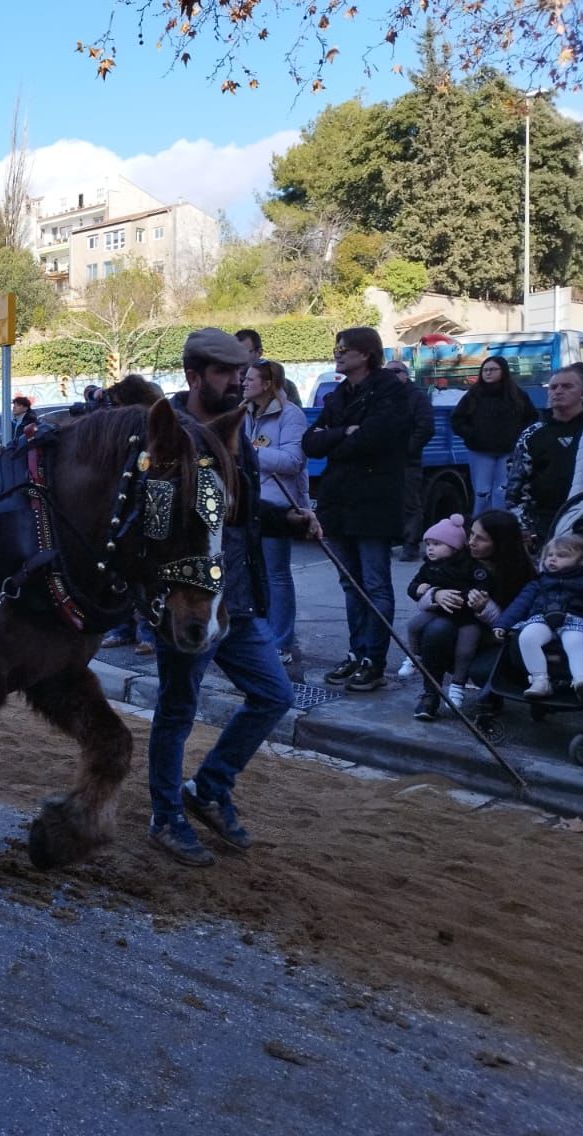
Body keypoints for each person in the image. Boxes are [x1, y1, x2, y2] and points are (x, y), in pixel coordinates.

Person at [148, 328, 312, 868]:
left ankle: (210, 787)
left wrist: (286, 518)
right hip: (190, 601)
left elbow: (237, 510)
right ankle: (166, 814)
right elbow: (156, 525)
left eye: (241, 373)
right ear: (194, 376)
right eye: (225, 374)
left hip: (236, 597)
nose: (237, 382)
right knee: (178, 710)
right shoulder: (165, 434)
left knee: (274, 695)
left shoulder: (233, 427)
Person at [302, 327, 413, 693]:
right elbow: (310, 443)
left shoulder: (391, 391)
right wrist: (342, 434)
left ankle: (373, 661)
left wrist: (343, 438)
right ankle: (356, 651)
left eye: (343, 349)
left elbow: (374, 439)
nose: (337, 353)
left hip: (374, 502)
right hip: (339, 501)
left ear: (365, 354)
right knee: (350, 584)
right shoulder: (338, 395)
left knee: (376, 584)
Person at [417, 510, 536, 720]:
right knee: (436, 628)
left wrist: (485, 609)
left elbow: (518, 621)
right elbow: (423, 586)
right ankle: (430, 694)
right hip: (458, 630)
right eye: (471, 534)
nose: (471, 542)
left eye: (480, 538)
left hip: (494, 642)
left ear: (500, 543)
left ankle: (493, 693)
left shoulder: (520, 573)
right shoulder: (458, 557)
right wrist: (435, 594)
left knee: (482, 670)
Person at [243, 357, 308, 665]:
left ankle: (281, 641)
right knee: (255, 575)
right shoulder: (245, 413)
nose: (244, 383)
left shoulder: (290, 415)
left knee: (276, 575)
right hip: (249, 502)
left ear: (267, 384)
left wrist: (251, 452)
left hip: (278, 506)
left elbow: (293, 461)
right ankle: (262, 637)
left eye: (250, 379)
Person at [403, 514, 484, 717]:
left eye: (437, 544)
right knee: (414, 625)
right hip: (439, 612)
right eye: (428, 543)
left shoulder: (468, 565)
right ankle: (415, 657)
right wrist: (420, 589)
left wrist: (469, 597)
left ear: (455, 546)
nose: (430, 548)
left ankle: (457, 686)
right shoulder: (429, 566)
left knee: (465, 650)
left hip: (466, 617)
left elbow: (481, 587)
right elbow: (413, 587)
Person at [492, 533, 583, 701]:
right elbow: (520, 603)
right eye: (549, 555)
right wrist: (503, 623)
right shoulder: (539, 581)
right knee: (527, 637)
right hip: (542, 619)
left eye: (561, 555)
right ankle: (540, 680)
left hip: (573, 620)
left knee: (575, 642)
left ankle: (582, 680)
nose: (553, 559)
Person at [506, 362, 583, 545]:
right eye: (553, 387)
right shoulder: (533, 434)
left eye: (567, 386)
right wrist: (524, 526)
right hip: (545, 525)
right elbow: (516, 488)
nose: (558, 391)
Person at [449, 355, 536, 515]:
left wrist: (519, 438)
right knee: (482, 493)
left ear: (503, 371)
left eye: (493, 369)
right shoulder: (473, 394)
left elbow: (532, 419)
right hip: (480, 452)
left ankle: (500, 528)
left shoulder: (517, 395)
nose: (488, 373)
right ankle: (479, 527)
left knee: (502, 492)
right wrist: (472, 434)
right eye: (485, 370)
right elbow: (457, 419)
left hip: (508, 452)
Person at [385, 360, 435, 561]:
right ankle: (385, 541)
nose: (390, 375)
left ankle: (411, 544)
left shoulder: (417, 397)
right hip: (384, 459)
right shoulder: (382, 396)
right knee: (384, 502)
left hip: (407, 460)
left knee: (409, 503)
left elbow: (426, 428)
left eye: (395, 371)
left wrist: (407, 450)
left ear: (405, 374)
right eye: (386, 372)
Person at [235, 329, 303, 405]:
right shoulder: (225, 386)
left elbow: (295, 414)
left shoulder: (284, 386)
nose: (237, 357)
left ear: (259, 353)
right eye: (234, 352)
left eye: (243, 352)